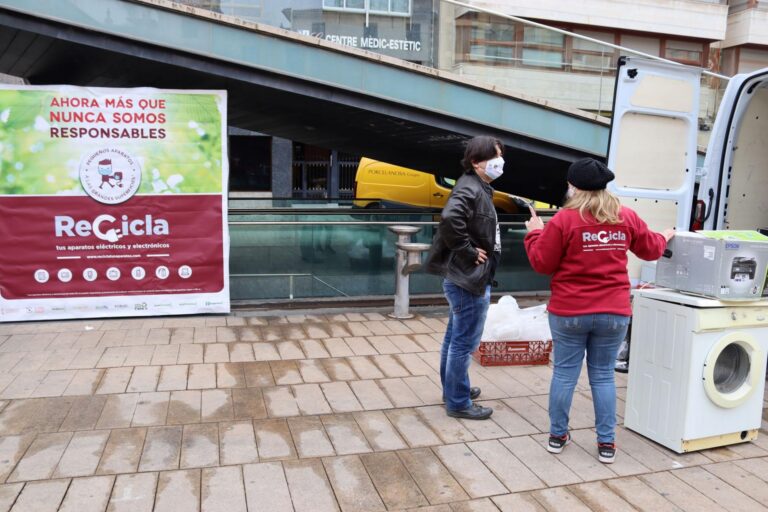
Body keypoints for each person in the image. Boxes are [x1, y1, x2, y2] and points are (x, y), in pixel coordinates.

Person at [523, 158, 674, 463]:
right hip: (614, 311)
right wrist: (665, 236)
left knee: (565, 375)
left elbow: (542, 263)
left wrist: (535, 232)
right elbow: (651, 249)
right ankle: (606, 443)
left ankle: (557, 436)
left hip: (569, 312)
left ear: (573, 186)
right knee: (603, 376)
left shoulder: (564, 220)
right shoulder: (625, 216)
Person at [425, 135, 505, 420]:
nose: (500, 162)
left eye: (500, 156)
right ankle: (458, 402)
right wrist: (467, 250)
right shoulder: (470, 188)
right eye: (494, 157)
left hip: (465, 277)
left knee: (454, 338)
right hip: (467, 278)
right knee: (464, 342)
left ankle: (454, 390)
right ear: (476, 162)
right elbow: (449, 219)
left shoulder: (476, 186)